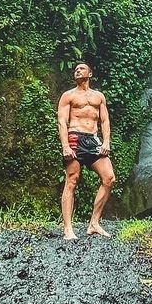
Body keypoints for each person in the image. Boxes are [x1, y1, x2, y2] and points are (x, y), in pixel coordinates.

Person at [56, 61, 114, 241]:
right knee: (72, 180)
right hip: (75, 137)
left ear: (90, 73)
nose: (77, 71)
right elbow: (62, 121)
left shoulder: (99, 97)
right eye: (75, 69)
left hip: (93, 139)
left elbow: (104, 121)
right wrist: (65, 145)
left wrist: (106, 142)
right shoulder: (68, 96)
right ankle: (68, 229)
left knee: (109, 178)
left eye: (81, 69)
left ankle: (94, 223)